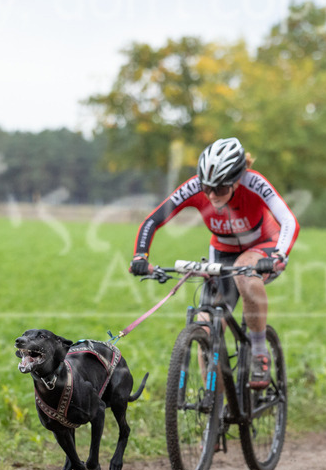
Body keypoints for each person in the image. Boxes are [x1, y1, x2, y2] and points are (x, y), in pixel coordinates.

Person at [128, 137, 299, 388]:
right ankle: (215, 404)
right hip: (222, 252)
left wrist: (279, 255)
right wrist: (140, 256)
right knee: (206, 325)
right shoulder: (196, 187)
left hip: (264, 246)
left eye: (219, 189)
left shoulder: (254, 182)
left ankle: (260, 352)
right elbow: (153, 220)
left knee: (245, 275)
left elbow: (289, 221)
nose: (210, 195)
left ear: (237, 179)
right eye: (207, 187)